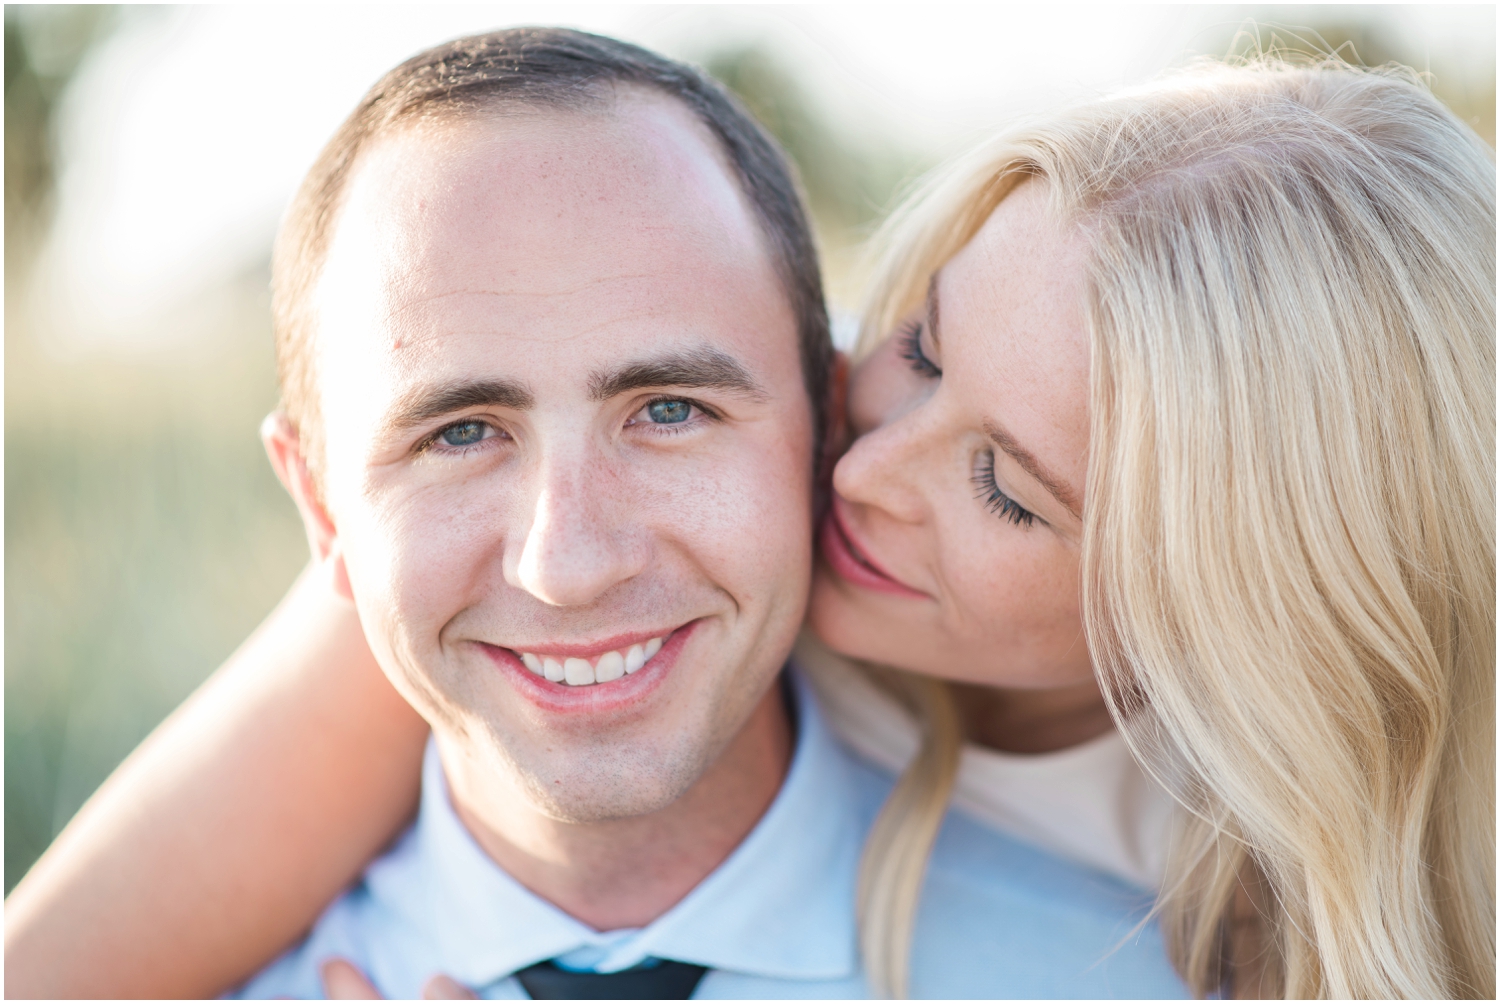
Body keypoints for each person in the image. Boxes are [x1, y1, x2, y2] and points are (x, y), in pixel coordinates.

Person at [8, 43, 1493, 1001]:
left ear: (1222, 618)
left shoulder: (1207, 932)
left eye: (1006, 489)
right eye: (912, 343)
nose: (855, 469)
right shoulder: (724, 428)